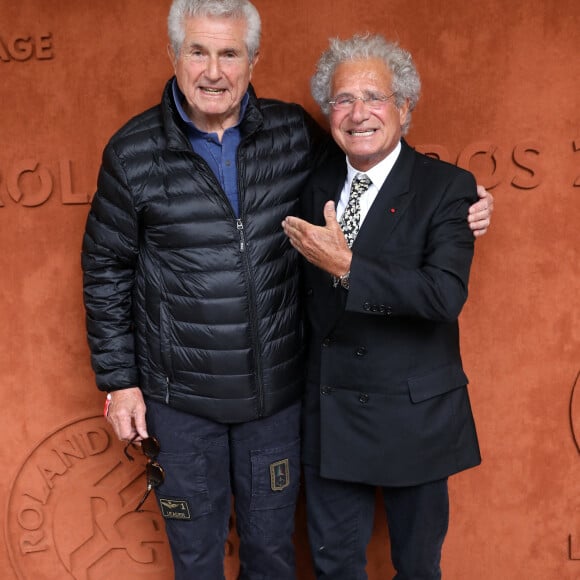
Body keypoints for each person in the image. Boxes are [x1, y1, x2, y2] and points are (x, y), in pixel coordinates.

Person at [81, 1, 492, 577]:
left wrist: (458, 200)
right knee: (196, 560)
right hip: (180, 397)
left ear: (254, 60)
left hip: (275, 394)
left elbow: (376, 162)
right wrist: (120, 382)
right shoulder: (132, 152)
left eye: (230, 53)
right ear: (174, 55)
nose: (214, 71)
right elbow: (105, 269)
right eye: (198, 51)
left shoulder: (293, 133)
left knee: (274, 556)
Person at [282, 33, 484, 579]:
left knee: (417, 569)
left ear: (405, 107)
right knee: (334, 568)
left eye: (375, 97)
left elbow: (444, 295)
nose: (359, 113)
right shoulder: (317, 182)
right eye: (344, 99)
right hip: (331, 414)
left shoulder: (449, 188)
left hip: (413, 416)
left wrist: (349, 268)